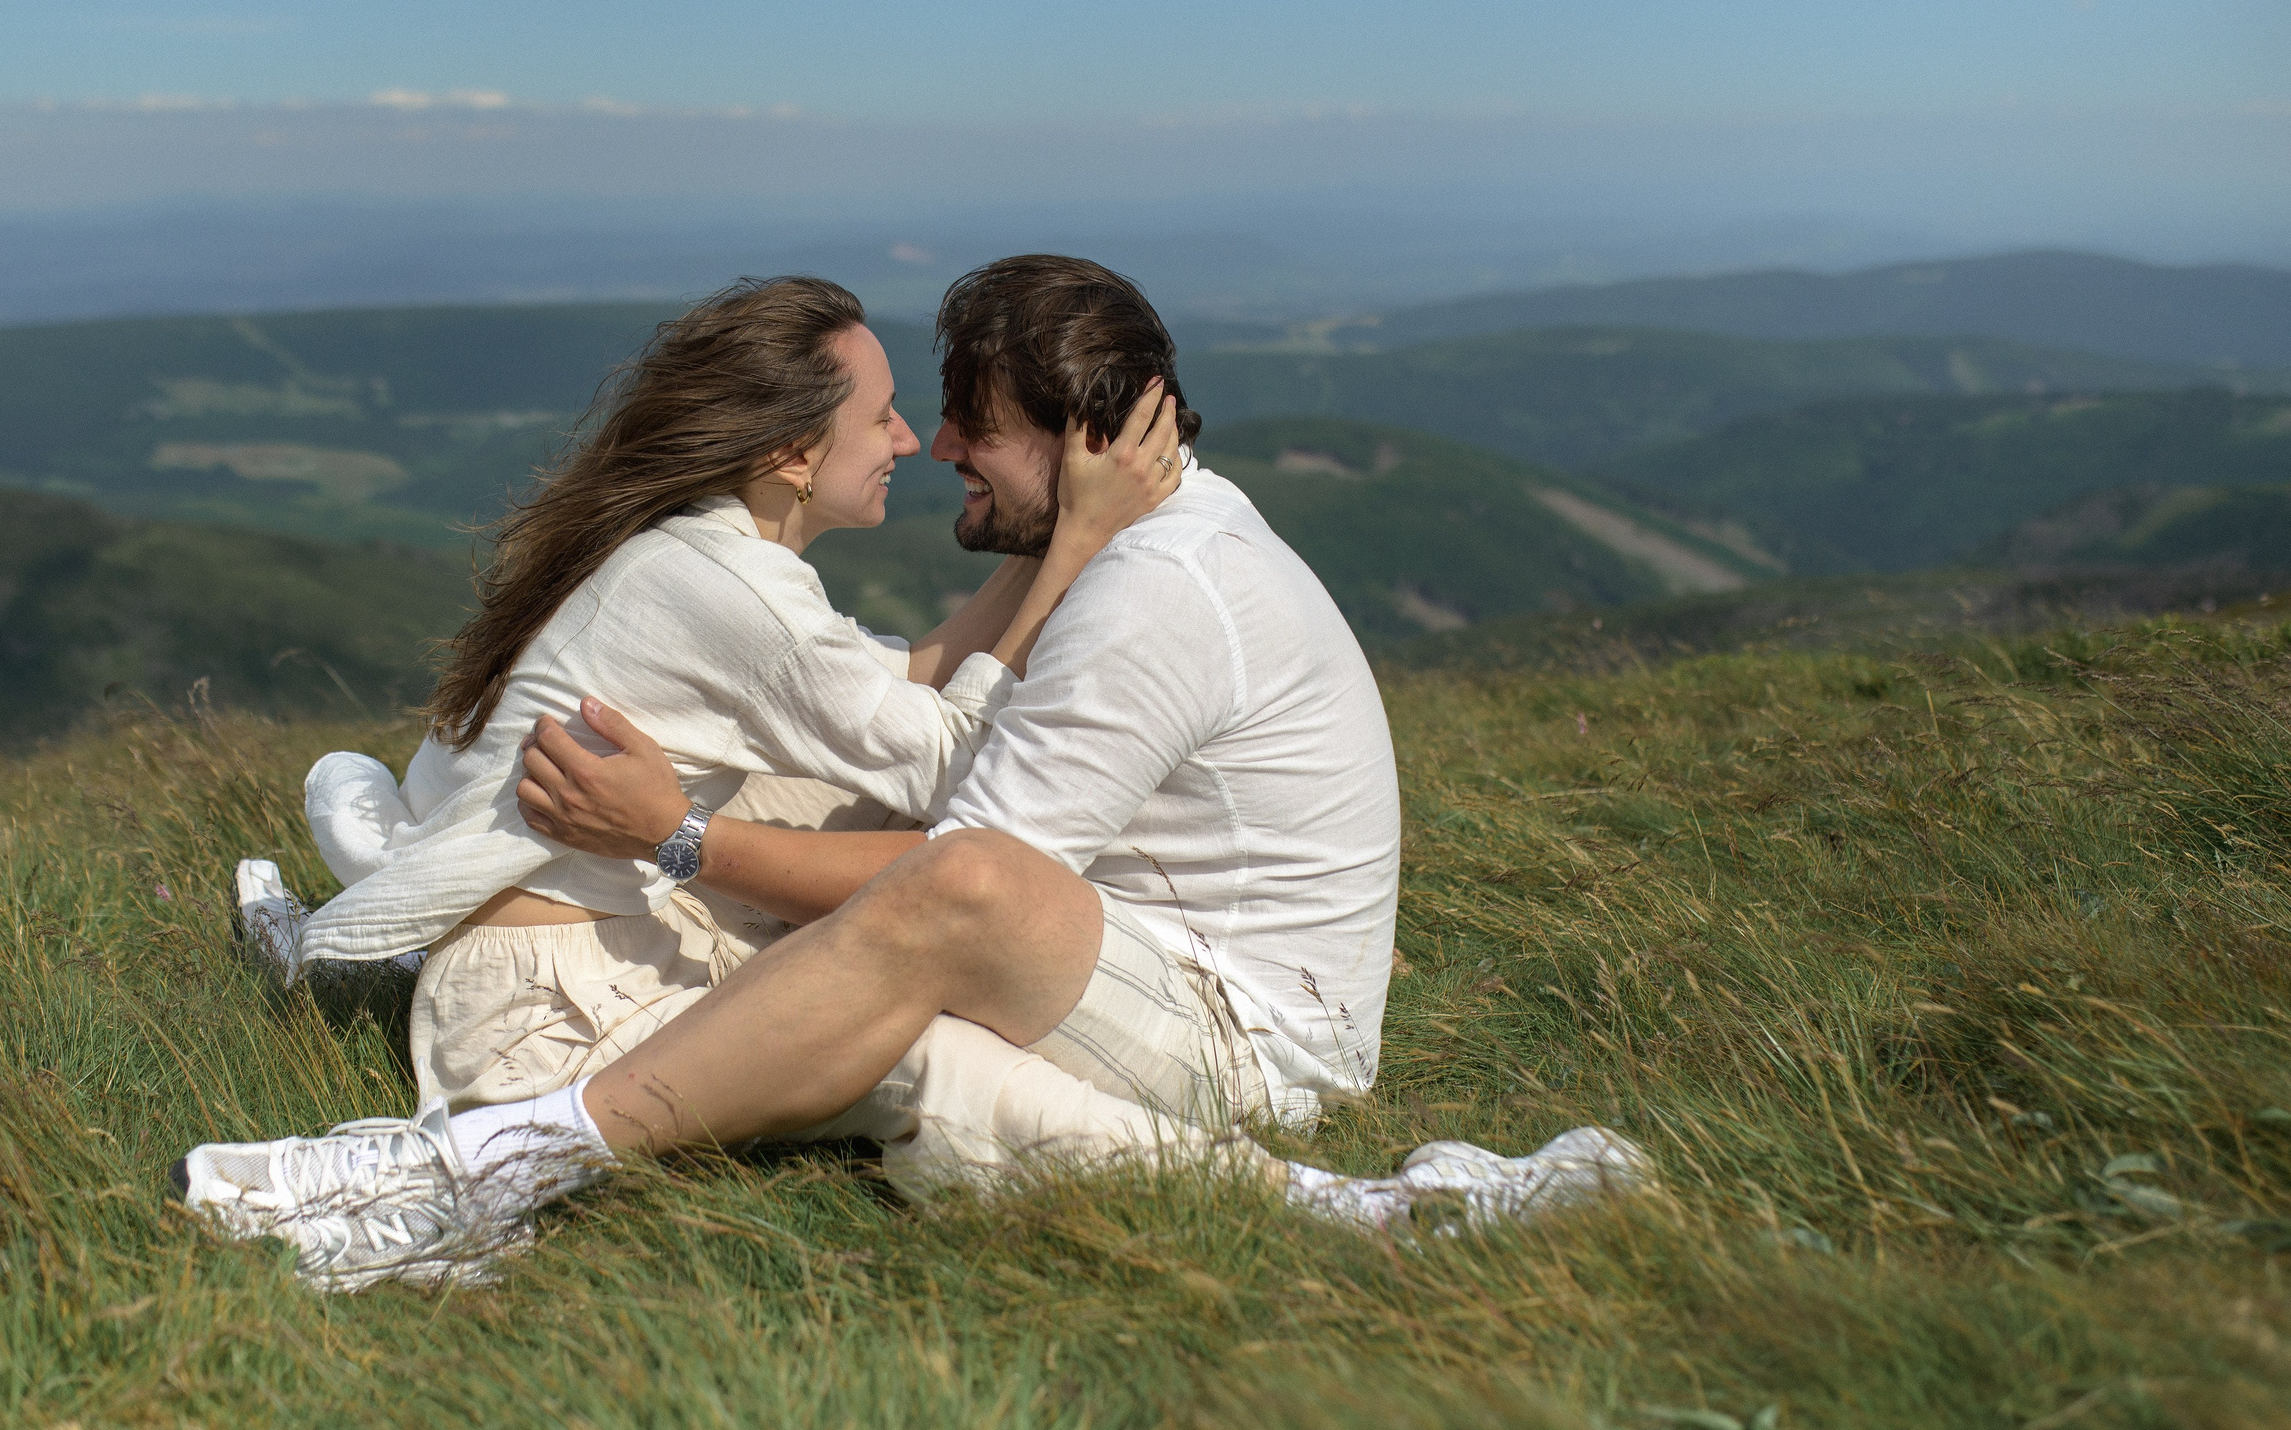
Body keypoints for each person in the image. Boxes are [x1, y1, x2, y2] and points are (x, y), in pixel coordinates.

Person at [178, 257, 1651, 1290]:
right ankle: (1376, 1217)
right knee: (882, 1032)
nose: (939, 441)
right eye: (921, 411)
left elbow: (962, 860)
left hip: (1236, 1030)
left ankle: (491, 1160)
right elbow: (907, 737)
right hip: (1134, 965)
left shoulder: (1151, 595)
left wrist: (681, 837)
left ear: (1081, 441)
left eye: (974, 421)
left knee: (940, 891)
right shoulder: (1126, 556)